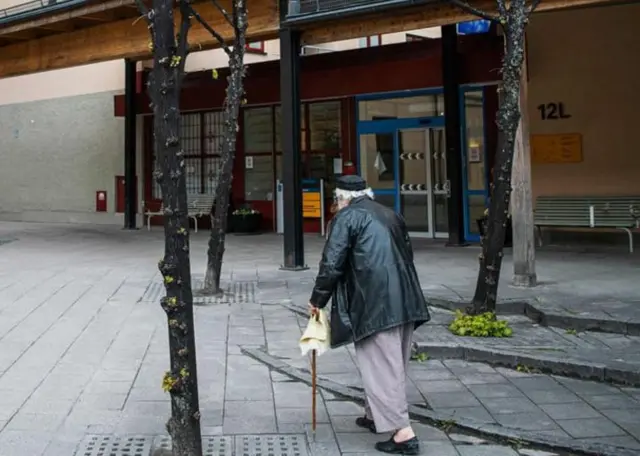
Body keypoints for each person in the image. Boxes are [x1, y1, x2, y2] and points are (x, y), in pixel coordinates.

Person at [308, 175, 430, 455]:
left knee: (382, 367)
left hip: (375, 302)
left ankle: (403, 433)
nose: (335, 205)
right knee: (391, 363)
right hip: (405, 298)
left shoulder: (346, 217)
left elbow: (332, 263)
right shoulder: (390, 214)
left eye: (336, 200)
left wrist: (317, 300)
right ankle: (375, 414)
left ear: (342, 198)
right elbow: (407, 254)